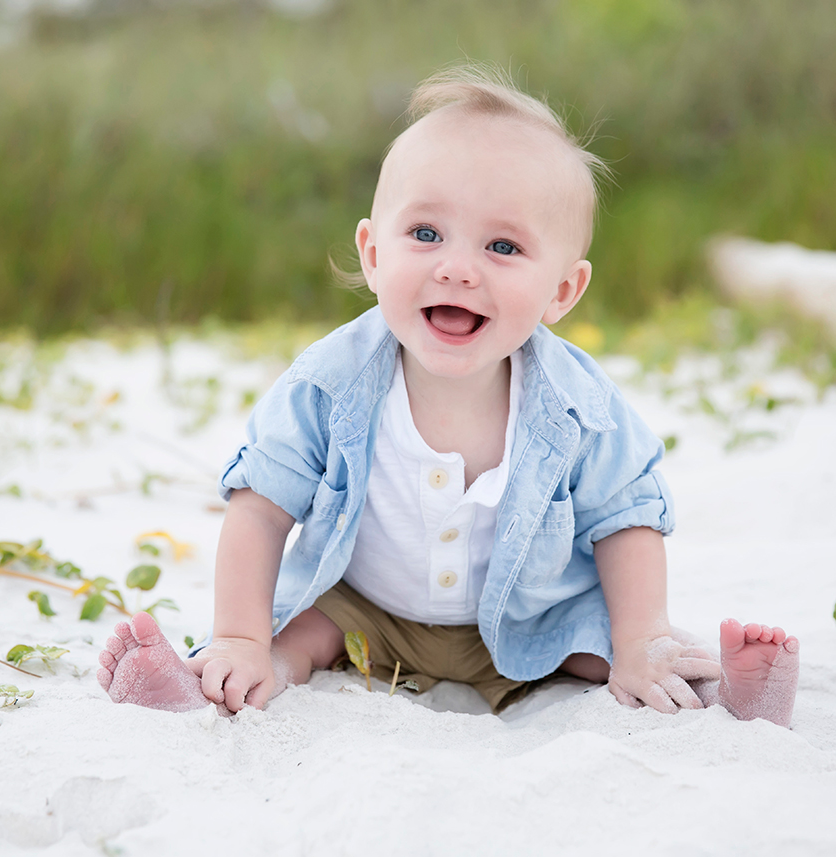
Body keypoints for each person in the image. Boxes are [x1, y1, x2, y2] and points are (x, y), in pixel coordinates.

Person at [98, 65, 799, 727]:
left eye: (502, 247)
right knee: (295, 635)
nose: (457, 268)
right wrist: (240, 633)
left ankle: (726, 687)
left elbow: (626, 517)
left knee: (620, 644)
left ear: (562, 291)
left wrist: (641, 634)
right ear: (374, 254)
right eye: (426, 234)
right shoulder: (329, 384)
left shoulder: (577, 405)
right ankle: (217, 679)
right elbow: (260, 508)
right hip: (365, 611)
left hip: (529, 618)